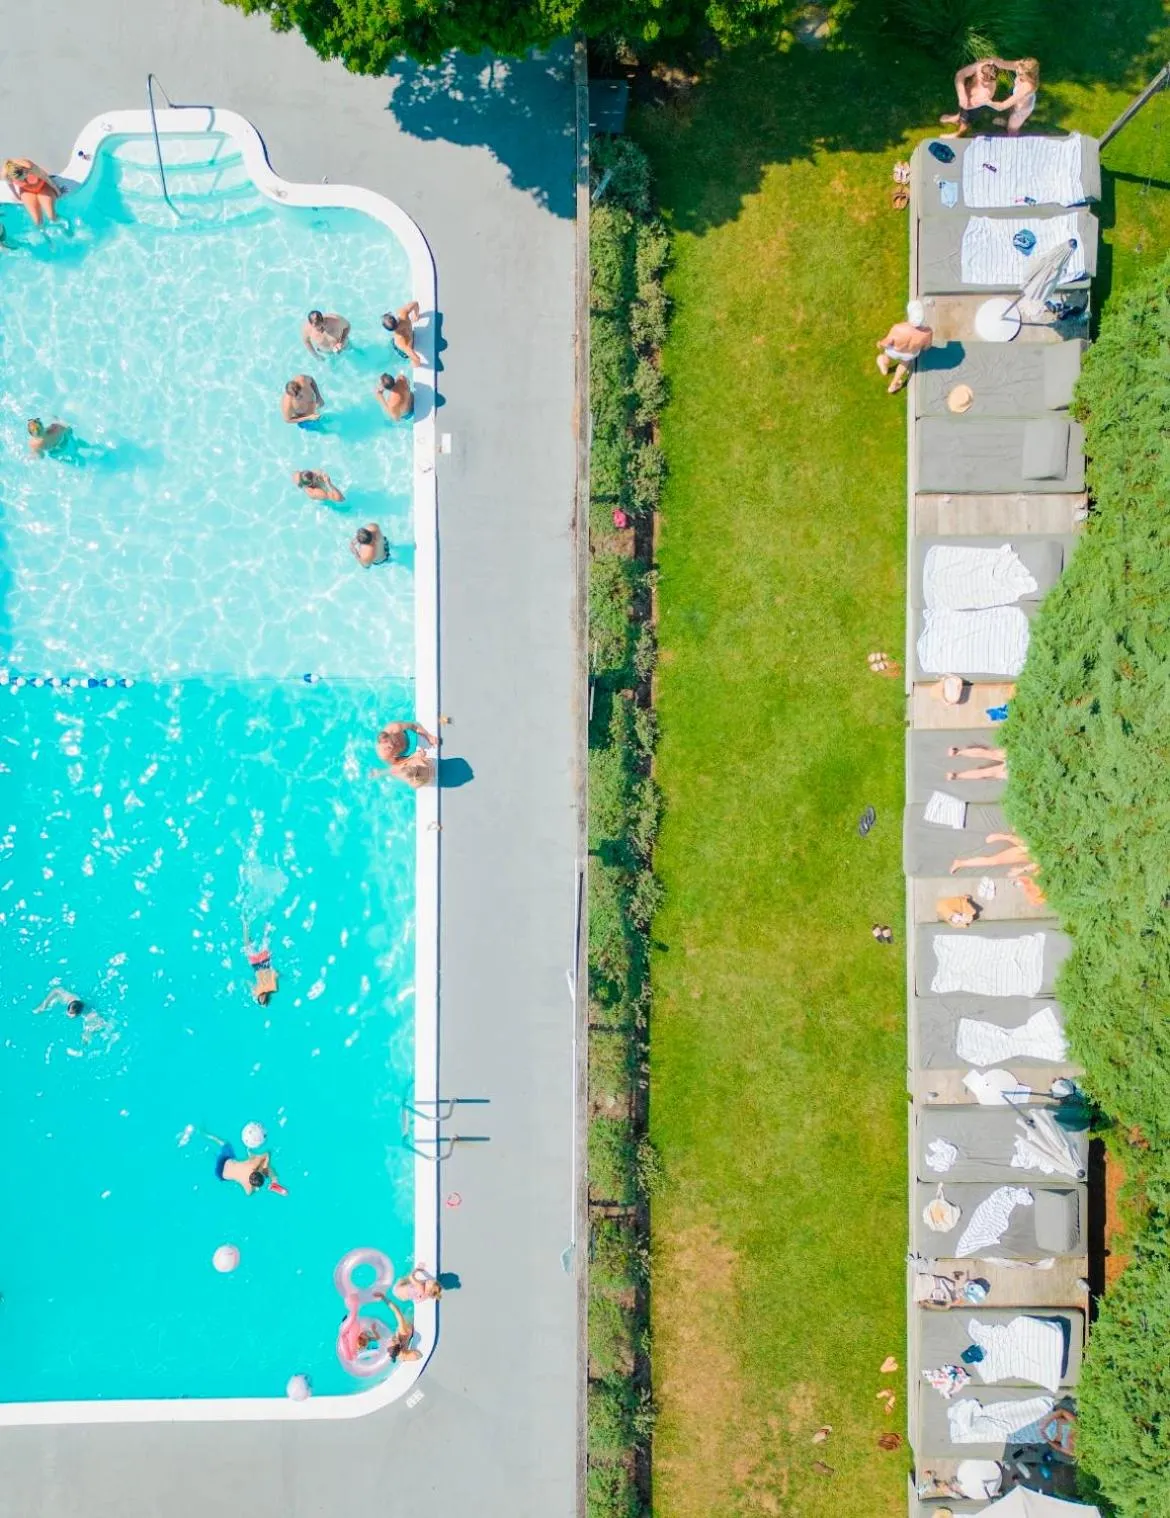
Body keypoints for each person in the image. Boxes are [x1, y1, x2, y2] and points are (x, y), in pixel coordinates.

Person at [876, 302, 933, 394]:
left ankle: (884, 367)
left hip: (894, 350)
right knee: (903, 365)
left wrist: (880, 343)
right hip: (910, 354)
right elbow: (927, 347)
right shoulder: (927, 333)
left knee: (885, 355)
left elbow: (888, 342)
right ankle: (893, 385)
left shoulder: (898, 328)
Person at [939, 59, 1003, 135]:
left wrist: (965, 101)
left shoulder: (986, 92)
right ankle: (958, 117)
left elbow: (967, 106)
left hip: (974, 107)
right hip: (968, 98)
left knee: (966, 118)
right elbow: (960, 75)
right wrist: (962, 94)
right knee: (963, 106)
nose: (986, 78)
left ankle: (960, 132)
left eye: (990, 77)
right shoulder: (979, 66)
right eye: (984, 73)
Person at [371, 720, 439, 789]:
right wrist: (413, 757)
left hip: (411, 738)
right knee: (405, 773)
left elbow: (414, 726)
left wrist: (429, 737)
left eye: (394, 742)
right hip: (406, 754)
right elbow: (397, 765)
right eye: (390, 748)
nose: (394, 746)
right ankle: (381, 772)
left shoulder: (395, 728)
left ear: (391, 734)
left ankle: (380, 772)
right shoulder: (385, 755)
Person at [209, 1133, 277, 1195]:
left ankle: (206, 1134)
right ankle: (212, 1155)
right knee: (213, 1158)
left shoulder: (253, 1164)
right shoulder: (248, 1187)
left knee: (226, 1143)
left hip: (225, 1160)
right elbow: (249, 1194)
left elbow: (267, 1153)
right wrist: (256, 1189)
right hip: (220, 1174)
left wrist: (265, 1165)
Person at [990, 58, 1040, 135]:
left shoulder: (1027, 86)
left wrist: (985, 101)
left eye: (1021, 74)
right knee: (1011, 111)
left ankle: (1012, 138)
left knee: (1012, 128)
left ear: (1029, 75)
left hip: (1022, 110)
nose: (1017, 73)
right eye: (1018, 71)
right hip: (1018, 98)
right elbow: (1002, 64)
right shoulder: (1020, 66)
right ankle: (1008, 121)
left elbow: (1002, 106)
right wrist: (990, 61)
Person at [4, 158, 61, 226]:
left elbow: (46, 178)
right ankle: (44, 234)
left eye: (24, 177)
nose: (24, 180)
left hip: (42, 187)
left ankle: (63, 226)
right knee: (37, 222)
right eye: (20, 180)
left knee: (51, 216)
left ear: (24, 170)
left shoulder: (30, 167)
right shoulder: (6, 174)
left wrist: (57, 190)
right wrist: (16, 195)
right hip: (27, 191)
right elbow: (10, 185)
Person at [949, 831, 1033, 874]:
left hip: (1032, 852)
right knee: (993, 861)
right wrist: (1022, 870)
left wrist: (1022, 870)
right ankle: (960, 863)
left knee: (993, 861)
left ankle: (961, 863)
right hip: (1032, 851)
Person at [243, 928, 278, 1006]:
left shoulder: (256, 992)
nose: (261, 998)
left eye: (260, 999)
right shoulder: (272, 988)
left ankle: (245, 924)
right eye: (263, 999)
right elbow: (275, 974)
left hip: (255, 965)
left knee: (246, 945)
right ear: (266, 997)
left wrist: (250, 986)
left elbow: (249, 982)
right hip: (265, 963)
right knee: (265, 939)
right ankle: (268, 923)